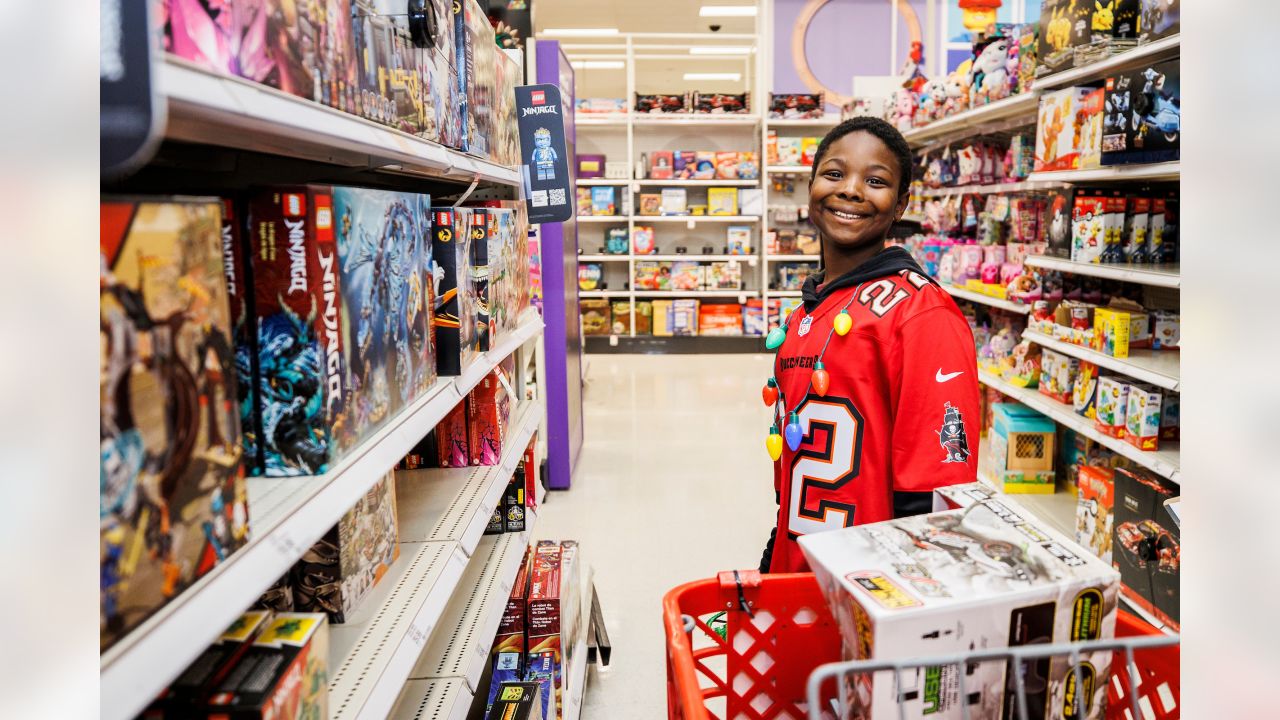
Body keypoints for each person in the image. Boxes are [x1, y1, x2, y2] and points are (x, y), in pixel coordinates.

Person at [760, 116, 981, 574]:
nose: (851, 190)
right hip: (798, 570)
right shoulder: (807, 310)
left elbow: (937, 491)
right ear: (811, 186)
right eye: (834, 173)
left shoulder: (922, 314)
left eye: (875, 181)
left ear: (899, 205)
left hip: (873, 585)